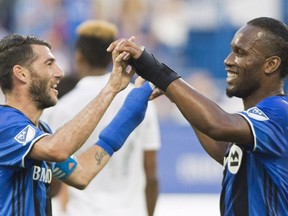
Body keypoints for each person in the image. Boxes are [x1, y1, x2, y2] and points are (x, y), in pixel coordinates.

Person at [108, 17, 288, 215]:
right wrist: (177, 96)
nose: (228, 60)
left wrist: (154, 68)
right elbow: (226, 152)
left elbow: (217, 125)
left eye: (240, 53)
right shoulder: (258, 122)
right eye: (231, 50)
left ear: (271, 65)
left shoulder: (279, 112)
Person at [0, 33, 154, 215]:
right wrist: (110, 88)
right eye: (49, 64)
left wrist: (129, 114)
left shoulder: (41, 132)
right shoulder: (5, 123)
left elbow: (81, 174)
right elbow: (57, 149)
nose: (60, 73)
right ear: (21, 73)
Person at [42, 20, 161, 216]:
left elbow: (54, 176)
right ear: (110, 58)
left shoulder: (59, 108)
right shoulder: (141, 99)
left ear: (78, 56)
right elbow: (151, 173)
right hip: (130, 211)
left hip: (81, 211)